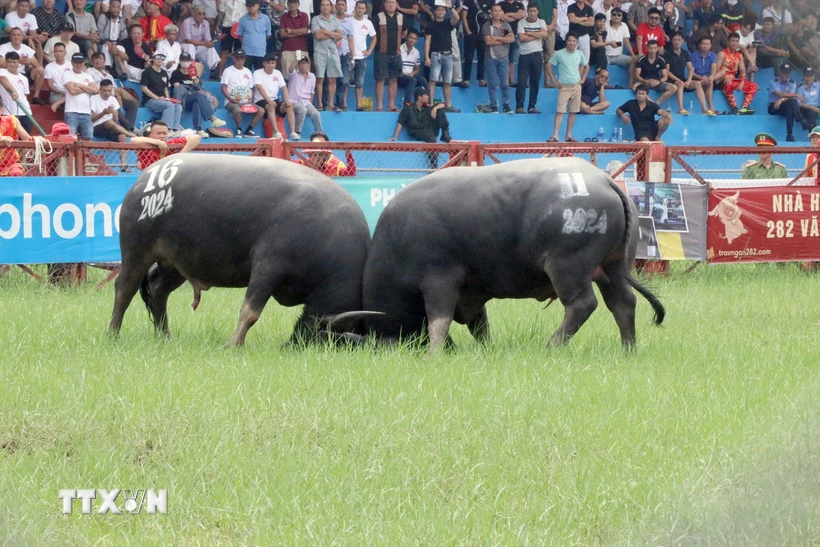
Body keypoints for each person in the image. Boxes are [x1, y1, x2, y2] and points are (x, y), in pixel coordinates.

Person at [171, 51, 226, 136]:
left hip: (192, 99)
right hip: (182, 99)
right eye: (183, 60)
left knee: (197, 102)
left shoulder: (193, 73)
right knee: (198, 95)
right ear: (180, 61)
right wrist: (191, 87)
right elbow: (177, 88)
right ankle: (212, 118)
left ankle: (198, 129)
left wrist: (196, 83)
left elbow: (199, 88)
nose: (185, 62)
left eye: (187, 60)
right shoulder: (176, 73)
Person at [546, 32, 587, 142]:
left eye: (574, 41)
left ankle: (568, 135)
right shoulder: (559, 54)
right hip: (564, 87)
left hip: (576, 87)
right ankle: (555, 135)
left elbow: (586, 65)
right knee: (560, 111)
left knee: (573, 112)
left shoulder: (579, 54)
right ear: (566, 41)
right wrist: (554, 80)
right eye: (569, 40)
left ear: (577, 43)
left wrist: (582, 79)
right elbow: (548, 65)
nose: (571, 43)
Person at [91, 78, 136, 171]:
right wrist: (103, 113)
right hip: (97, 128)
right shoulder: (93, 99)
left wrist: (115, 116)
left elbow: (115, 121)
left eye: (109, 90)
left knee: (122, 136)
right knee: (108, 122)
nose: (107, 93)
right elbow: (91, 119)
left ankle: (123, 164)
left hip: (111, 127)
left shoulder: (113, 99)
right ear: (100, 90)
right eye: (104, 90)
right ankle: (131, 135)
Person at [86, 51, 139, 130]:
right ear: (92, 61)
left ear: (104, 61)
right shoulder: (89, 71)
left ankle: (129, 126)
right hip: (100, 98)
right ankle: (130, 129)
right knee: (115, 108)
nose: (98, 60)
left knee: (132, 104)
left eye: (100, 59)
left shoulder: (108, 75)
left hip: (111, 97)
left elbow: (115, 89)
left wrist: (118, 98)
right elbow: (93, 88)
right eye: (96, 59)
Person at [425, 0, 460, 113]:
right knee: (433, 80)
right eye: (438, 10)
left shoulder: (448, 23)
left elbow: (457, 18)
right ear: (434, 12)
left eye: (442, 10)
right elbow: (427, 41)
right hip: (435, 54)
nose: (440, 12)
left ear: (445, 12)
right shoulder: (431, 25)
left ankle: (448, 105)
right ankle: (430, 104)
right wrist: (427, 57)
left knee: (447, 82)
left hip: (448, 55)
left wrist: (450, 8)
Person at [664, 31, 709, 116]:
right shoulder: (667, 53)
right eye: (675, 40)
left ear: (682, 41)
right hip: (672, 80)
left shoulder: (685, 53)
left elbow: (691, 68)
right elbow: (667, 71)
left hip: (682, 78)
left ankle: (704, 108)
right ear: (672, 41)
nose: (677, 42)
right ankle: (680, 108)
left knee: (697, 83)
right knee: (680, 83)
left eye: (679, 40)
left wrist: (688, 80)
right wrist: (678, 80)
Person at [220, 49, 263, 137]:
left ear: (245, 59)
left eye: (242, 58)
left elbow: (250, 88)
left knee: (261, 111)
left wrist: (250, 99)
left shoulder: (248, 71)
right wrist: (231, 99)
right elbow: (224, 88)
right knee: (237, 110)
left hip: (245, 101)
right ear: (234, 59)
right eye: (238, 58)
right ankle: (239, 129)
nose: (240, 61)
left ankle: (249, 130)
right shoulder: (228, 71)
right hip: (231, 101)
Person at [253, 53, 295, 138]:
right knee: (270, 107)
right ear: (264, 63)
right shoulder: (257, 73)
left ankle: (293, 132)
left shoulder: (277, 73)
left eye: (273, 63)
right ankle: (276, 132)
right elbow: (260, 88)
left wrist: (287, 100)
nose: (271, 65)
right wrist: (269, 101)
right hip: (260, 100)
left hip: (274, 100)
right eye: (268, 63)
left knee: (289, 106)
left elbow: (284, 88)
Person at [311, 0, 343, 111]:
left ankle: (330, 104)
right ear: (320, 7)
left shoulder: (335, 20)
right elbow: (318, 36)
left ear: (331, 7)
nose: (325, 7)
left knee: (332, 79)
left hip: (333, 52)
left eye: (327, 5)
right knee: (320, 78)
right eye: (323, 5)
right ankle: (319, 104)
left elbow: (340, 35)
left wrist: (326, 32)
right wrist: (333, 34)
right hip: (320, 52)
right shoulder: (315, 19)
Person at [481, 3, 513, 114]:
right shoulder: (486, 26)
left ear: (502, 12)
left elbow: (512, 39)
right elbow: (488, 41)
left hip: (504, 58)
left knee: (505, 83)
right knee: (492, 84)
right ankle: (494, 106)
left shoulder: (506, 25)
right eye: (495, 11)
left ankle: (506, 105)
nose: (497, 13)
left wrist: (496, 38)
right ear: (491, 13)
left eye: (499, 11)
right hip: (491, 58)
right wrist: (503, 39)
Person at [768, 62, 812, 142]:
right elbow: (780, 94)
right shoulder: (773, 82)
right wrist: (795, 95)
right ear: (780, 72)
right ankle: (802, 121)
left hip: (784, 105)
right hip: (774, 107)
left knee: (790, 108)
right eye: (784, 73)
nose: (785, 75)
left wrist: (781, 100)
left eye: (787, 73)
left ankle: (789, 135)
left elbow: (789, 95)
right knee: (792, 101)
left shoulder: (792, 82)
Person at [715, 31, 757, 115]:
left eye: (737, 41)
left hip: (734, 80)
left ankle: (744, 107)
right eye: (732, 41)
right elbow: (716, 68)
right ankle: (734, 108)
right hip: (723, 80)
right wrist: (724, 77)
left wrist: (742, 81)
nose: (734, 43)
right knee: (728, 84)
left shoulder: (739, 55)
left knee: (753, 85)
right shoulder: (722, 53)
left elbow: (742, 70)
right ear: (728, 42)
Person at [131, 119, 201, 170]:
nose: (162, 136)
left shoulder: (172, 143)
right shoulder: (145, 146)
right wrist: (158, 142)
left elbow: (196, 137)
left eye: (164, 133)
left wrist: (181, 154)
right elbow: (133, 140)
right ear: (151, 135)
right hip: (148, 180)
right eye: (158, 133)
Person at [141, 52, 184, 134]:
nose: (160, 60)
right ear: (153, 59)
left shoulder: (164, 73)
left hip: (162, 99)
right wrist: (157, 98)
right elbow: (144, 88)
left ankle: (175, 129)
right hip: (150, 100)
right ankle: (167, 129)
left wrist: (168, 99)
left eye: (162, 58)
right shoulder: (147, 72)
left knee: (178, 107)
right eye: (157, 57)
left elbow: (165, 89)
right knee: (169, 105)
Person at [0, 27, 46, 104]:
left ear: (22, 37)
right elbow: (1, 63)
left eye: (18, 35)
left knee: (40, 70)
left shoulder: (26, 49)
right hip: (8, 74)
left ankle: (36, 96)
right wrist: (18, 61)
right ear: (10, 37)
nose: (16, 37)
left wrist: (28, 63)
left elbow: (38, 65)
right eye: (14, 35)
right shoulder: (3, 47)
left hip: (22, 74)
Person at [516, 2, 546, 114]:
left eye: (534, 11)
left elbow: (544, 35)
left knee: (535, 82)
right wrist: (537, 34)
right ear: (527, 11)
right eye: (530, 11)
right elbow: (522, 38)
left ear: (537, 12)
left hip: (537, 55)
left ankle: (531, 107)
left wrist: (529, 33)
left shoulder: (541, 22)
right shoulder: (521, 22)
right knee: (522, 82)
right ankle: (519, 106)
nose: (532, 13)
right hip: (524, 55)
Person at [373, 0, 403, 112]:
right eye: (388, 2)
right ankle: (379, 105)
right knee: (380, 79)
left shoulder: (401, 17)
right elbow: (373, 34)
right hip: (381, 53)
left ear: (396, 5)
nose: (391, 5)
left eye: (393, 2)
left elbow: (404, 33)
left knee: (394, 79)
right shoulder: (378, 17)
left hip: (396, 53)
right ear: (384, 4)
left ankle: (391, 105)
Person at [64, 52, 99, 139]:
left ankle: (85, 153)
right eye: (76, 62)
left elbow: (95, 90)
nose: (78, 65)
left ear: (83, 63)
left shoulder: (88, 75)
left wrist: (80, 85)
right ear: (72, 63)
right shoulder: (67, 74)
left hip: (86, 112)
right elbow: (72, 91)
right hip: (71, 111)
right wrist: (87, 88)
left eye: (80, 62)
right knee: (70, 138)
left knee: (88, 137)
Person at [287, 56, 323, 139]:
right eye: (301, 63)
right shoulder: (294, 74)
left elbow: (311, 92)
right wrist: (296, 60)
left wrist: (310, 104)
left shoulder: (312, 76)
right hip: (293, 101)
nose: (303, 65)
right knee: (302, 109)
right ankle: (297, 132)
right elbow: (290, 69)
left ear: (308, 65)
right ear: (298, 65)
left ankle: (319, 133)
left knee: (316, 113)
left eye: (305, 63)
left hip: (306, 101)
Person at [349, 0, 375, 110]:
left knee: (359, 83)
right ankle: (344, 103)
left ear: (365, 10)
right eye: (358, 8)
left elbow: (374, 38)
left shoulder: (368, 23)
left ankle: (359, 105)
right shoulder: (348, 21)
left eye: (362, 8)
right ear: (355, 8)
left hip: (362, 57)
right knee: (345, 82)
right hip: (348, 56)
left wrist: (369, 51)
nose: (360, 10)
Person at [179, 5, 220, 73]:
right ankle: (190, 67)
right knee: (191, 46)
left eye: (203, 14)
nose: (201, 16)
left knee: (210, 48)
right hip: (183, 46)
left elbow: (207, 40)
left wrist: (210, 43)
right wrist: (204, 43)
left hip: (197, 47)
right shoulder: (186, 22)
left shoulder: (206, 23)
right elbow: (188, 41)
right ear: (193, 14)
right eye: (199, 13)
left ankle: (212, 69)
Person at [0, 52, 34, 134]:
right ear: (6, 63)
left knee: (26, 140)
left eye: (14, 62)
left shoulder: (24, 78)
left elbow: (25, 95)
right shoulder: (2, 71)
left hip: (25, 112)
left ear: (18, 63)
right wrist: (13, 91)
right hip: (8, 113)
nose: (12, 64)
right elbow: (3, 79)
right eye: (9, 62)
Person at [634, 39, 676, 105]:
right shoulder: (641, 60)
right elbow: (637, 75)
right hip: (644, 82)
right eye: (650, 48)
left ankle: (657, 103)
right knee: (635, 86)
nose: (652, 50)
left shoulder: (661, 60)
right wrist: (645, 81)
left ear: (657, 48)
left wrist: (658, 81)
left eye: (654, 48)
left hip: (656, 82)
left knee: (673, 87)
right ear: (647, 48)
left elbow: (665, 76)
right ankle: (651, 102)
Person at [461, 0, 492, 88]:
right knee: (468, 57)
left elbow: (490, 17)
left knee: (481, 57)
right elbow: (464, 17)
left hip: (482, 35)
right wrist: (468, 31)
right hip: (471, 34)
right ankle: (466, 79)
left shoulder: (488, 3)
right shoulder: (468, 1)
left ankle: (481, 79)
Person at [237, 0, 271, 70]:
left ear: (258, 5)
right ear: (246, 7)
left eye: (253, 6)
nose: (251, 8)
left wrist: (259, 41)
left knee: (259, 75)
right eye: (249, 6)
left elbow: (268, 35)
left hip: (260, 52)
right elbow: (240, 35)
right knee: (246, 75)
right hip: (247, 52)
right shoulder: (242, 20)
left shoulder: (265, 18)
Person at [0, 101, 30, 177]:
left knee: (16, 172)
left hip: (10, 164)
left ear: (1, 110)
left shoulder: (12, 120)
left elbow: (26, 138)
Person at [279, 0, 308, 75]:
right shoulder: (283, 16)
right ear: (287, 4)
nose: (292, 5)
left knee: (303, 76)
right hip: (287, 49)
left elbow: (305, 31)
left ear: (298, 4)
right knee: (287, 76)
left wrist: (290, 31)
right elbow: (282, 33)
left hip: (302, 49)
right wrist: (299, 33)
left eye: (294, 3)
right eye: (290, 3)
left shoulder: (304, 15)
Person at [97, 0, 128, 70]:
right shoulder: (103, 17)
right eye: (113, 7)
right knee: (106, 47)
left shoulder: (121, 20)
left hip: (117, 43)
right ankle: (107, 70)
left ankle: (122, 72)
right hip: (104, 42)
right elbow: (99, 31)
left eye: (118, 7)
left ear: (120, 9)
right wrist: (106, 41)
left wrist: (118, 44)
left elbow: (124, 35)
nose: (115, 9)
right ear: (109, 7)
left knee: (121, 48)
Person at [690, 35, 718, 115]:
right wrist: (701, 77)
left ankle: (711, 107)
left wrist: (711, 76)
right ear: (700, 45)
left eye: (707, 44)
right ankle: (704, 109)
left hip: (708, 78)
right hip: (697, 79)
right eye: (703, 44)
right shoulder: (693, 56)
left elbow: (713, 67)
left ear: (710, 45)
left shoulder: (713, 55)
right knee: (699, 83)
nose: (705, 46)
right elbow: (692, 72)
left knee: (711, 81)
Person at [398, 28, 426, 106]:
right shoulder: (399, 49)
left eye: (414, 39)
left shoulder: (416, 52)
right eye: (410, 37)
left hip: (410, 75)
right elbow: (395, 66)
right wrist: (403, 73)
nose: (411, 40)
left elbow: (417, 69)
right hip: (400, 75)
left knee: (423, 80)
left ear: (416, 40)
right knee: (412, 80)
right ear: (406, 37)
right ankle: (407, 103)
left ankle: (427, 103)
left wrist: (412, 73)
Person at [44, 41, 71, 112]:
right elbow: (50, 85)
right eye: (56, 51)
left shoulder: (71, 65)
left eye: (61, 51)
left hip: (71, 91)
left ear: (65, 53)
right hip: (57, 93)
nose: (58, 53)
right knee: (56, 100)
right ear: (53, 53)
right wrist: (61, 92)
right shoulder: (49, 67)